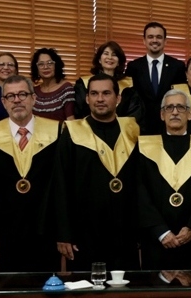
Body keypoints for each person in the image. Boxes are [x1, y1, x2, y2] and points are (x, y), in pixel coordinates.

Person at [0, 75, 61, 272]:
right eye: (11, 96)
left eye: (22, 94)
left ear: (33, 98)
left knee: (49, 290)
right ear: (3, 102)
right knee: (11, 287)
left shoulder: (56, 133)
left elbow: (63, 186)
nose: (17, 100)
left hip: (47, 228)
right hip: (7, 230)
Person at [55, 74, 140, 271]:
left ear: (118, 99)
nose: (100, 99)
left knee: (126, 293)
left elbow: (140, 184)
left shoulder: (132, 131)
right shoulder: (72, 133)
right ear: (87, 99)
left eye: (106, 93)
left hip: (125, 232)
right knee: (87, 295)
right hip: (84, 233)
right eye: (94, 94)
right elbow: (61, 185)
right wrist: (64, 234)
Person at [137, 89, 191, 270]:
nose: (175, 112)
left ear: (190, 113)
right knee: (156, 293)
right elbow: (140, 192)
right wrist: (160, 231)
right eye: (169, 107)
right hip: (156, 240)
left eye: (180, 107)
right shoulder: (144, 147)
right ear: (162, 115)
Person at [125, 22, 187, 134]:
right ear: (144, 41)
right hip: (141, 127)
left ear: (165, 41)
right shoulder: (133, 67)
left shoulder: (177, 66)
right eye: (150, 37)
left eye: (159, 37)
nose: (155, 40)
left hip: (169, 126)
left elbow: (182, 96)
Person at [73, 41, 139, 122]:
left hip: (122, 131)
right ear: (99, 60)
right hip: (89, 131)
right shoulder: (84, 84)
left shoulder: (129, 86)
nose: (110, 57)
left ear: (119, 62)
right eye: (106, 53)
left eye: (114, 55)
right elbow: (79, 112)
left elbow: (134, 115)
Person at [30, 48, 75, 122]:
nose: (45, 67)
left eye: (50, 63)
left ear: (56, 66)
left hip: (60, 132)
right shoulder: (34, 91)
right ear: (36, 68)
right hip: (36, 132)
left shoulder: (66, 88)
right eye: (41, 64)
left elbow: (71, 120)